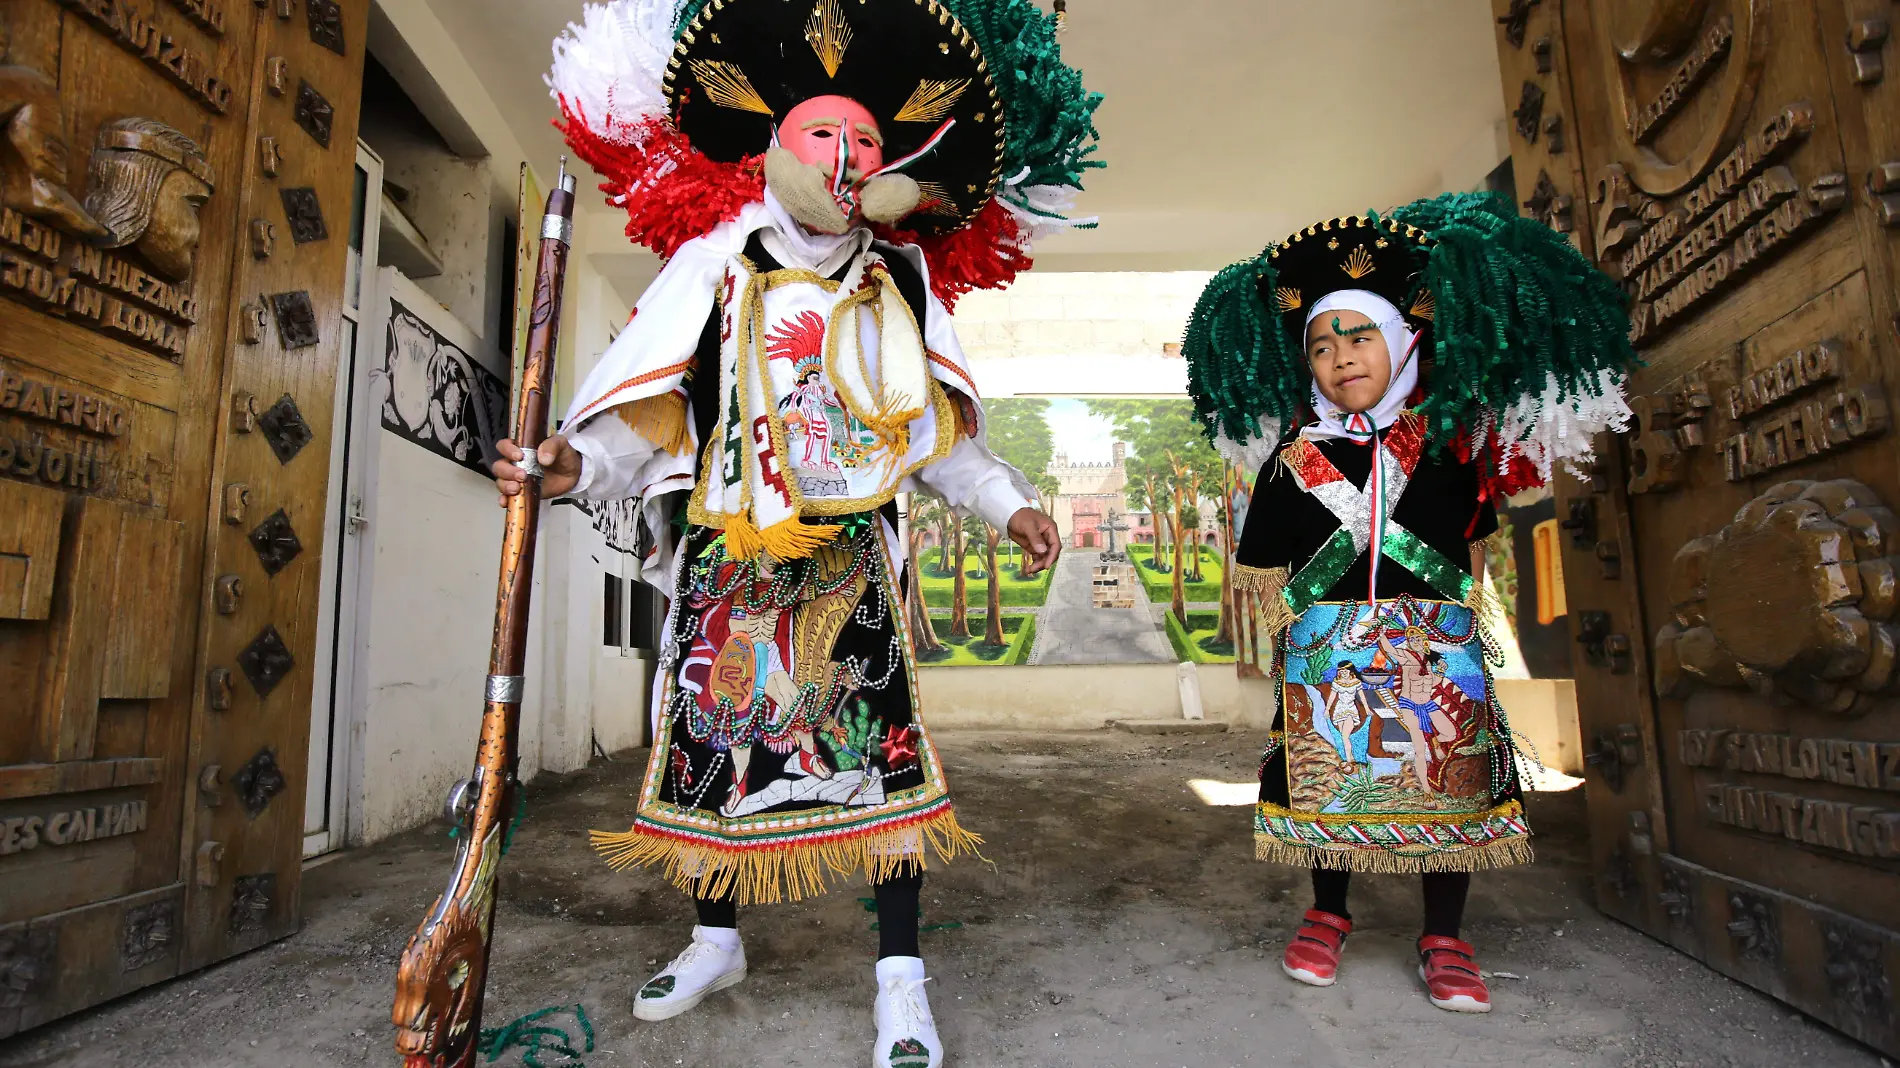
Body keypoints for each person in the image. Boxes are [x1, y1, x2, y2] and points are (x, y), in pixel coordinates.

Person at [496, 3, 1100, 1065]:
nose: (847, 155)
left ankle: (901, 979)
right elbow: (650, 417)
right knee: (710, 749)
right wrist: (568, 465)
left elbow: (936, 436)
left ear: (891, 161)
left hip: (850, 558)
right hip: (732, 553)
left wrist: (1010, 505)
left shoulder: (901, 280)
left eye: (866, 139)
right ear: (772, 149)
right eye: (823, 134)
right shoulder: (710, 270)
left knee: (881, 763)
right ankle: (714, 939)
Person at [1185, 194, 1636, 1013]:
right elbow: (1265, 565)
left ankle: (1446, 936)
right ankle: (1327, 914)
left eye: (1360, 336)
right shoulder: (1291, 458)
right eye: (1322, 344)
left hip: (1433, 647)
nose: (1340, 356)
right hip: (1327, 650)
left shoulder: (1452, 443)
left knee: (1447, 777)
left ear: (1404, 342)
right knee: (1328, 773)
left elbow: (1472, 544)